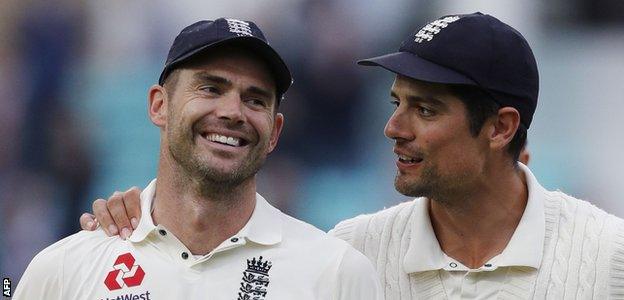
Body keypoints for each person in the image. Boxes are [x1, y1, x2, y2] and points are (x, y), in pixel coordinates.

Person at [81, 13, 624, 299]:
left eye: (426, 110)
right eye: (396, 104)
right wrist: (145, 223)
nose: (393, 128)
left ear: (501, 128)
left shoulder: (609, 258)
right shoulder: (351, 253)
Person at [15, 18, 382, 300]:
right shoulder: (63, 269)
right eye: (211, 88)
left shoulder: (336, 274)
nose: (232, 111)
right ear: (159, 105)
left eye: (255, 99)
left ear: (274, 132)